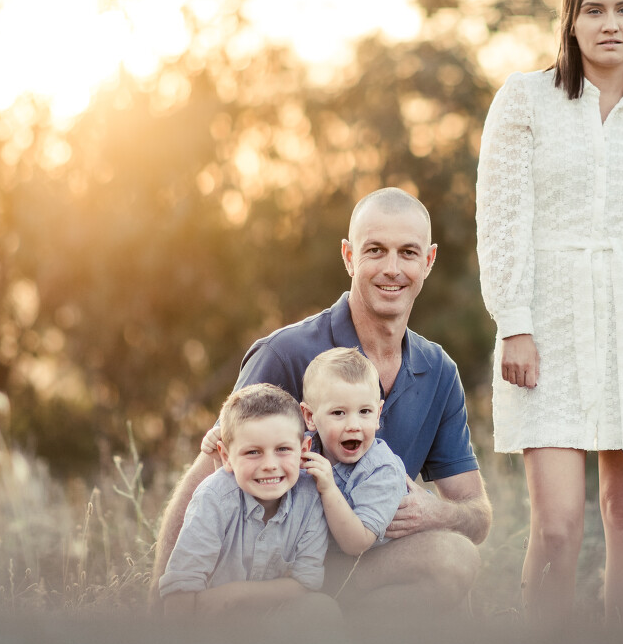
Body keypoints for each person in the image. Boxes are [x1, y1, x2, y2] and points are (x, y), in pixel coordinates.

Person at [476, 0, 623, 624]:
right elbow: (502, 216)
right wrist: (514, 321)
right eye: (593, 9)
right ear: (570, 21)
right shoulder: (525, 98)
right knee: (558, 525)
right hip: (548, 320)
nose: (610, 23)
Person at [152, 188, 491, 615]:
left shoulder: (438, 370)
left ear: (428, 260)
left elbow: (476, 513)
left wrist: (437, 514)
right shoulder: (286, 354)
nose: (392, 268)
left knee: (454, 560)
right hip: (278, 576)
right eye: (375, 250)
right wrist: (161, 611)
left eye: (407, 252)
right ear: (349, 256)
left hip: (362, 563)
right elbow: (207, 478)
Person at [158, 383, 340, 623]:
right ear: (226, 456)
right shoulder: (214, 497)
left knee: (322, 608)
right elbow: (181, 588)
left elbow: (306, 583)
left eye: (283, 449)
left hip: (270, 620)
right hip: (212, 625)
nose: (269, 465)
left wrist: (233, 595)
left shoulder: (310, 497)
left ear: (303, 449)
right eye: (253, 452)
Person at [299, 346, 409, 555]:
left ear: (378, 414)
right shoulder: (302, 449)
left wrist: (328, 489)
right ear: (310, 417)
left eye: (364, 411)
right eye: (338, 413)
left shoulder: (382, 469)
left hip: (380, 556)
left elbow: (357, 544)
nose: (353, 425)